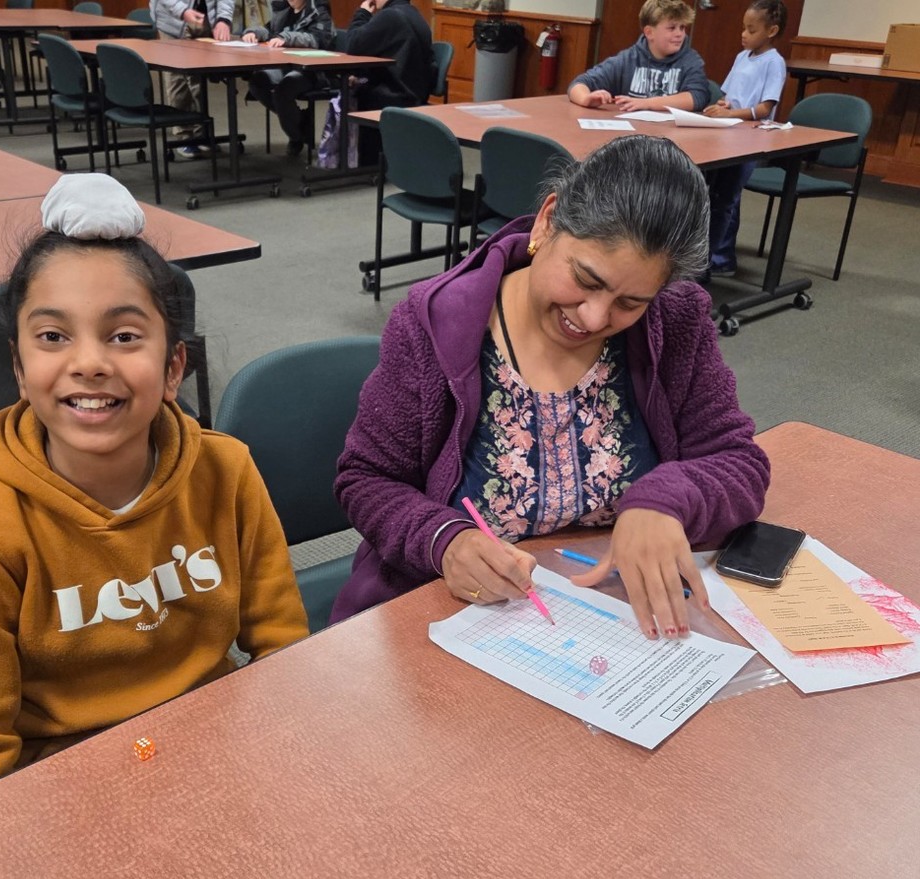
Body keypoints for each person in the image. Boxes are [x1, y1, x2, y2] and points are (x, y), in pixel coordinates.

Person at [0, 175, 309, 803]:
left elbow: (280, 647)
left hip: (220, 744)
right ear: (20, 370)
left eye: (124, 336)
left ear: (173, 367)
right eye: (53, 337)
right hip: (68, 789)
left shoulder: (227, 471)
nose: (89, 362)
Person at [331, 135, 770, 642]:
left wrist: (665, 501)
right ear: (547, 219)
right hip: (459, 618)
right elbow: (365, 479)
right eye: (586, 279)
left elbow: (738, 461)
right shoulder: (435, 325)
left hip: (614, 627)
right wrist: (444, 541)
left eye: (631, 302)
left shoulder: (676, 320)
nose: (595, 317)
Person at [703, 0, 788, 277]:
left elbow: (764, 108)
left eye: (751, 30)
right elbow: (729, 95)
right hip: (729, 133)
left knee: (728, 196)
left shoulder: (774, 63)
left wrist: (733, 114)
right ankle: (714, 251)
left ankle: (721, 257)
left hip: (751, 137)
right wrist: (723, 106)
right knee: (720, 193)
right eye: (743, 28)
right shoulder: (743, 56)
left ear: (771, 31)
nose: (744, 34)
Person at [568, 0, 708, 113]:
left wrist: (647, 103)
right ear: (649, 32)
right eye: (672, 28)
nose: (679, 34)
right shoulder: (628, 59)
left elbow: (697, 97)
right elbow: (579, 84)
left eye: (682, 28)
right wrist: (586, 98)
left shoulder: (691, 60)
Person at [243, 0, 335, 157]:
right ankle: (300, 121)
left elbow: (318, 39)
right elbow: (269, 30)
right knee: (258, 81)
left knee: (284, 89)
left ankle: (296, 137)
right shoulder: (285, 13)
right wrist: (253, 33)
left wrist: (287, 38)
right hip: (285, 66)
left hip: (312, 71)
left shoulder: (319, 12)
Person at [151, 0, 238, 159]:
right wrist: (182, 11)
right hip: (172, 22)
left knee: (198, 79)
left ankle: (202, 133)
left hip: (204, 20)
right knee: (178, 80)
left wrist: (223, 20)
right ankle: (184, 136)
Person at [345, 0, 434, 112]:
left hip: (388, 101)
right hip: (413, 98)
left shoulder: (390, 16)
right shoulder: (418, 16)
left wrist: (362, 13)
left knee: (345, 93)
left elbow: (353, 44)